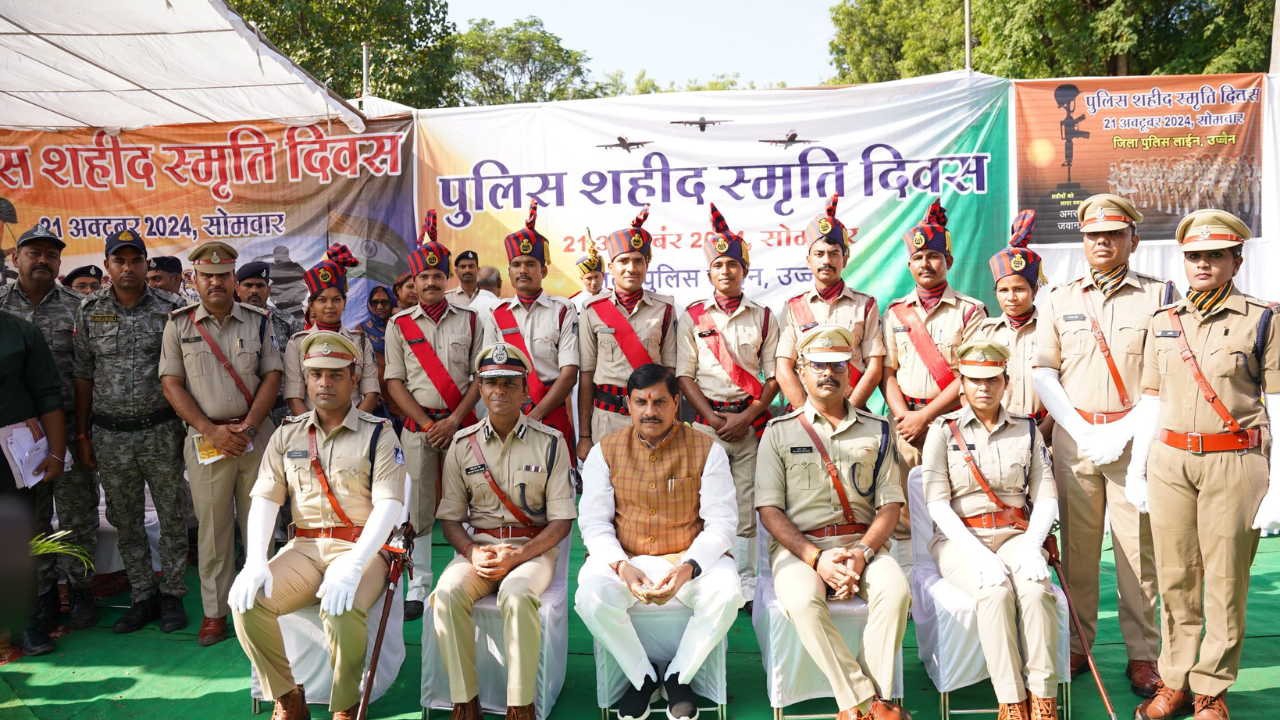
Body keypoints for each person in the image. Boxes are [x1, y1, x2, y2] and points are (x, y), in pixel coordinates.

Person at [1125, 210, 1279, 720]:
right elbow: (1150, 399)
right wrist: (1137, 467)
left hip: (1234, 461)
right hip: (1170, 459)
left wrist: (1279, 484)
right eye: (1194, 256)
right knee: (1174, 576)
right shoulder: (1163, 320)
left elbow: (1277, 402)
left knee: (1225, 578)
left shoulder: (1263, 318)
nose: (1204, 264)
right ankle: (1175, 680)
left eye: (1216, 255)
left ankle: (1212, 688)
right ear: (1183, 261)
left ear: (1236, 259)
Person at [1031, 194, 1173, 694]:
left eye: (1113, 235)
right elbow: (1045, 370)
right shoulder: (1059, 298)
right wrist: (1082, 428)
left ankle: (1143, 654)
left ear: (1132, 241)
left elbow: (1165, 375)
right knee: (1078, 551)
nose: (1103, 243)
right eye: (1093, 235)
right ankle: (1076, 645)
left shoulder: (1160, 297)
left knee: (1140, 553)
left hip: (1135, 441)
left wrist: (1124, 430)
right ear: (1083, 240)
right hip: (1076, 442)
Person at [228, 331, 406, 720]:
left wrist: (357, 563)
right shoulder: (287, 433)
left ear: (353, 377)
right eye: (316, 374)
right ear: (305, 378)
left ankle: (344, 706)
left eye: (335, 374)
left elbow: (390, 503)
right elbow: (265, 498)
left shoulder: (378, 432)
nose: (324, 383)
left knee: (340, 610)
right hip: (305, 549)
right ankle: (289, 696)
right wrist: (255, 559)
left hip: (362, 549)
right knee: (248, 604)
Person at [755, 325, 911, 720]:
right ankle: (869, 702)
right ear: (802, 372)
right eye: (818, 365)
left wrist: (861, 553)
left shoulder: (878, 429)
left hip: (864, 545)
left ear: (850, 371)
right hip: (800, 550)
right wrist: (816, 559)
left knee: (895, 591)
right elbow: (769, 510)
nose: (828, 373)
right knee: (804, 601)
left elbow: (890, 505)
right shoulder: (778, 432)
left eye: (838, 364)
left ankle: (862, 708)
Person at [576, 364, 742, 720]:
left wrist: (688, 568)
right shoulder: (604, 451)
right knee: (589, 598)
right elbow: (593, 522)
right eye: (641, 402)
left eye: (659, 402)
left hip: (689, 557)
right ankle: (643, 677)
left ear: (677, 403)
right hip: (628, 557)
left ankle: (679, 674)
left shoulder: (706, 449)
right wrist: (621, 565)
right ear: (629, 404)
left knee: (727, 594)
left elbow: (722, 523)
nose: (650, 411)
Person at [432, 342, 576, 720]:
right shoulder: (462, 446)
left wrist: (520, 554)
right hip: (480, 549)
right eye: (491, 382)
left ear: (525, 390)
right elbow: (450, 518)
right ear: (479, 389)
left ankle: (520, 704)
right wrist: (471, 552)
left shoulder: (551, 443)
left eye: (510, 383)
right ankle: (465, 703)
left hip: (533, 549)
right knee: (446, 593)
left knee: (515, 592)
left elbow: (561, 520)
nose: (500, 391)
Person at [921, 340, 1060, 720]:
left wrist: (1033, 545)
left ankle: (1043, 699)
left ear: (1006, 382)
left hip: (1016, 537)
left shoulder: (1027, 430)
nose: (983, 387)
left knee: (1034, 591)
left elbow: (1046, 494)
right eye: (973, 379)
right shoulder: (942, 432)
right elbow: (936, 502)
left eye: (992, 379)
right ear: (961, 383)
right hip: (960, 540)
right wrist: (977, 553)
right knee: (994, 594)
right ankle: (1012, 702)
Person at [159, 240, 284, 646]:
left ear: (234, 278)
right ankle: (215, 613)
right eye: (207, 276)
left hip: (255, 437)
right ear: (194, 280)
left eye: (223, 275)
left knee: (260, 524)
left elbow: (272, 376)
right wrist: (212, 431)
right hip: (206, 439)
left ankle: (263, 602)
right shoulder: (178, 324)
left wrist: (248, 426)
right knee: (213, 531)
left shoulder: (259, 321)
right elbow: (171, 385)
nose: (215, 282)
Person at [73, 229, 189, 636]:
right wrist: (83, 436)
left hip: (160, 430)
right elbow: (83, 376)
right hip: (109, 434)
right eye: (119, 261)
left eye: (135, 260)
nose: (128, 268)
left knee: (173, 515)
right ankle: (142, 595)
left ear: (146, 265)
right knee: (125, 519)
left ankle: (172, 594)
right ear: (108, 266)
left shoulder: (172, 309)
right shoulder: (89, 311)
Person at [676, 203, 779, 606]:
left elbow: (773, 377)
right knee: (703, 502)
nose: (726, 271)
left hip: (751, 425)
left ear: (744, 271)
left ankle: (747, 582)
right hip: (706, 425)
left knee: (748, 502)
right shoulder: (693, 317)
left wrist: (748, 415)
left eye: (733, 265)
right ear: (709, 272)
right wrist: (711, 417)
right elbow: (684, 376)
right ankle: (707, 575)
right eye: (719, 265)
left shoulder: (765, 317)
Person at [0, 224, 99, 634]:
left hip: (71, 427)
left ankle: (80, 591)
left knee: (78, 514)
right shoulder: (2, 307)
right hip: (15, 439)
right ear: (15, 259)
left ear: (59, 263)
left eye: (51, 254)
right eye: (33, 252)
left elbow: (90, 369)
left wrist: (82, 434)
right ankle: (40, 599)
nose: (43, 259)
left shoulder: (79, 307)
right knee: (31, 519)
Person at [384, 209, 482, 621]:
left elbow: (481, 375)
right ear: (413, 282)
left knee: (473, 502)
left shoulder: (473, 320)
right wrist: (428, 425)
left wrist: (454, 419)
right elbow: (394, 383)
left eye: (437, 276)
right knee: (418, 510)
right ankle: (419, 585)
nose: (429, 283)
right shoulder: (398, 325)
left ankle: (475, 575)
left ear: (448, 279)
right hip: (418, 427)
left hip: (461, 425)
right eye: (422, 277)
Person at [576, 206, 678, 462]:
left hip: (653, 418)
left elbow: (671, 372)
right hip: (606, 418)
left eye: (638, 261)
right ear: (610, 266)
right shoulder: (592, 310)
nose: (631, 268)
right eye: (623, 261)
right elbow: (586, 375)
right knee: (607, 495)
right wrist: (585, 436)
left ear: (646, 264)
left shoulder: (665, 308)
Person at [482, 200, 578, 453]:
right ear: (509, 271)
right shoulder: (497, 313)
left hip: (551, 415)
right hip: (508, 417)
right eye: (516, 264)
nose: (523, 270)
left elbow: (569, 373)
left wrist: (535, 416)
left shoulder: (564, 310)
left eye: (530, 264)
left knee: (556, 487)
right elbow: (490, 371)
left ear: (544, 270)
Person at [776, 194, 884, 411]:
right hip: (804, 416)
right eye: (819, 254)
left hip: (853, 414)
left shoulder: (866, 305)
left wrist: (846, 412)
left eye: (834, 254)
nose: (826, 261)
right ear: (809, 260)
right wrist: (808, 415)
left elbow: (874, 367)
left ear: (845, 259)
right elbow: (783, 369)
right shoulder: (793, 307)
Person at [1, 310, 67, 656]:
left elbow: (48, 393)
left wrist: (56, 453)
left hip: (9, 453)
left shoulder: (22, 333)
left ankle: (24, 623)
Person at [977, 210, 1053, 434]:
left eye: (1019, 289)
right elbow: (974, 386)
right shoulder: (986, 332)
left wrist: (1042, 433)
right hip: (999, 432)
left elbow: (1066, 385)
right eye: (1003, 290)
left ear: (1035, 290)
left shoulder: (1051, 328)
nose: (1011, 297)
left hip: (1045, 431)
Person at [283, 245, 379, 415]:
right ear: (311, 305)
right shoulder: (297, 343)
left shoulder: (361, 341)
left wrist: (352, 427)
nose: (330, 306)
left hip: (355, 431)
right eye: (322, 300)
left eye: (336, 299)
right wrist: (316, 430)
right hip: (311, 433)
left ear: (345, 303)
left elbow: (371, 393)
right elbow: (294, 397)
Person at [237, 261, 305, 429]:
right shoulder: (225, 325)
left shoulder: (288, 323)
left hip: (283, 413)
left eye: (260, 285)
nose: (254, 290)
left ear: (269, 290)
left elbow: (305, 368)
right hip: (242, 415)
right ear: (237, 289)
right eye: (248, 285)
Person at [358, 285, 403, 424]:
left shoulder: (403, 324)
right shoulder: (362, 330)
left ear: (392, 303)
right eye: (374, 302)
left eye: (384, 302)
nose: (379, 306)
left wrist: (400, 321)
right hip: (376, 399)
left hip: (404, 395)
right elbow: (358, 365)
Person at [572, 240, 606, 310]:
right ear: (582, 279)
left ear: (603, 275)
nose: (594, 282)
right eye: (589, 278)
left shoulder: (614, 297)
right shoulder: (573, 303)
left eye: (596, 277)